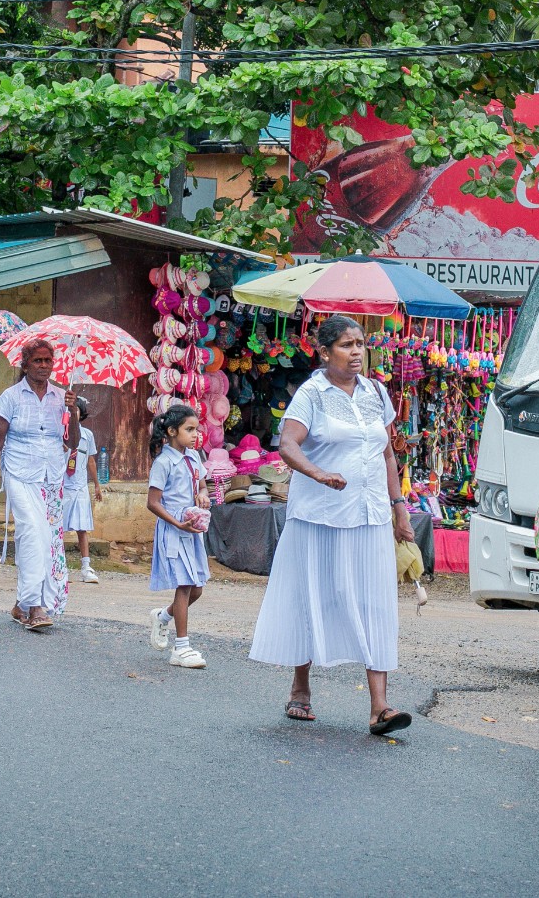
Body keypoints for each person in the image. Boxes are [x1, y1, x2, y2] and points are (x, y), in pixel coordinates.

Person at [250, 315, 416, 735]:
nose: (356, 351)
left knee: (376, 603)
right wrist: (318, 473)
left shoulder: (377, 392)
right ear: (325, 352)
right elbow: (288, 444)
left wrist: (399, 508)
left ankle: (380, 707)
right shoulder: (312, 394)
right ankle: (301, 687)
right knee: (314, 596)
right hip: (320, 517)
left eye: (360, 343)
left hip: (371, 515)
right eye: (346, 345)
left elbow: (387, 454)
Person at [0, 339, 80, 632]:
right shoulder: (10, 397)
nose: (43, 366)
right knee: (32, 532)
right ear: (25, 364)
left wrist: (73, 414)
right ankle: (35, 605)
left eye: (48, 361)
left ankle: (21, 604)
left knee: (48, 540)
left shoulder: (62, 397)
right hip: (19, 473)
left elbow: (72, 443)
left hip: (51, 475)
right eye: (37, 361)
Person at [146, 403, 211, 669]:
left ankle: (162, 616)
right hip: (174, 530)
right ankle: (181, 647)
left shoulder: (194, 457)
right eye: (189, 429)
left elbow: (202, 483)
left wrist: (203, 494)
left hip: (191, 529)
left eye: (197, 429)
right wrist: (177, 523)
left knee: (196, 589)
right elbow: (153, 502)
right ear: (172, 431)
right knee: (183, 586)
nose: (196, 435)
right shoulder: (163, 462)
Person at [63, 395, 104, 583]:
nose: (74, 413)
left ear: (81, 413)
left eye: (77, 410)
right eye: (71, 410)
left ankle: (86, 566)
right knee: (58, 527)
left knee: (82, 527)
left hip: (79, 486)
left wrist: (96, 485)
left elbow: (91, 460)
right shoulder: (60, 432)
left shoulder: (87, 435)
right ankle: (59, 565)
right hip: (62, 486)